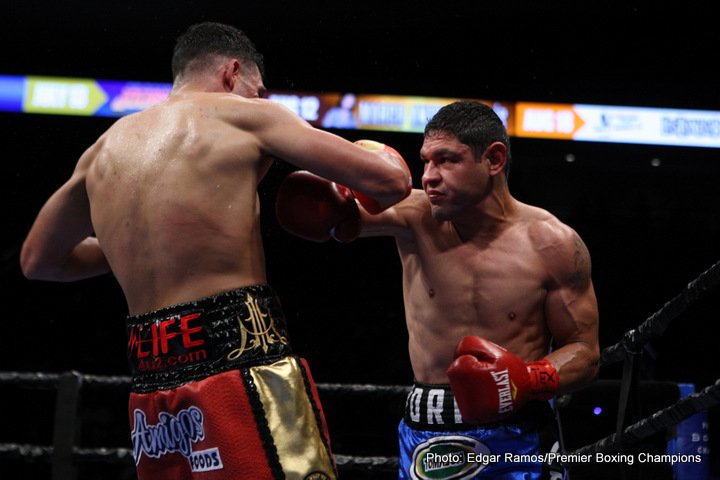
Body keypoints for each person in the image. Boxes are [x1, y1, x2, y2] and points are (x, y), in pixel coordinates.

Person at [20, 22, 411, 480]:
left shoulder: (102, 149)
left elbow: (38, 261)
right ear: (232, 71)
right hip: (240, 362)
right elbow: (391, 181)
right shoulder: (248, 115)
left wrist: (151, 239)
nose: (260, 98)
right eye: (257, 89)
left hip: (151, 391)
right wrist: (362, 171)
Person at [276, 101, 600, 479]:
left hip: (518, 431)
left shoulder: (553, 244)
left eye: (446, 160)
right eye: (426, 161)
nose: (429, 175)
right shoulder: (413, 216)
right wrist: (339, 194)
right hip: (424, 430)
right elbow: (334, 218)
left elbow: (585, 352)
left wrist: (529, 378)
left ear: (494, 160)